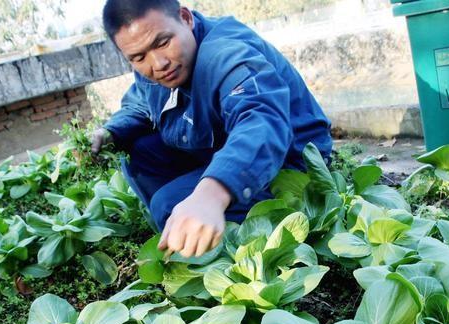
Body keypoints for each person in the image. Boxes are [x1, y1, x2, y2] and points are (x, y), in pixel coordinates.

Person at [90, 0, 332, 258]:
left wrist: (212, 194)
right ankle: (189, 227)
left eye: (163, 43)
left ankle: (219, 250)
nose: (158, 63)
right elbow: (141, 100)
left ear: (185, 18)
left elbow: (261, 121)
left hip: (288, 160)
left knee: (168, 203)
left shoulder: (227, 54)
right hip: (223, 144)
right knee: (138, 149)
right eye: (138, 57)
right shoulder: (160, 64)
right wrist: (111, 131)